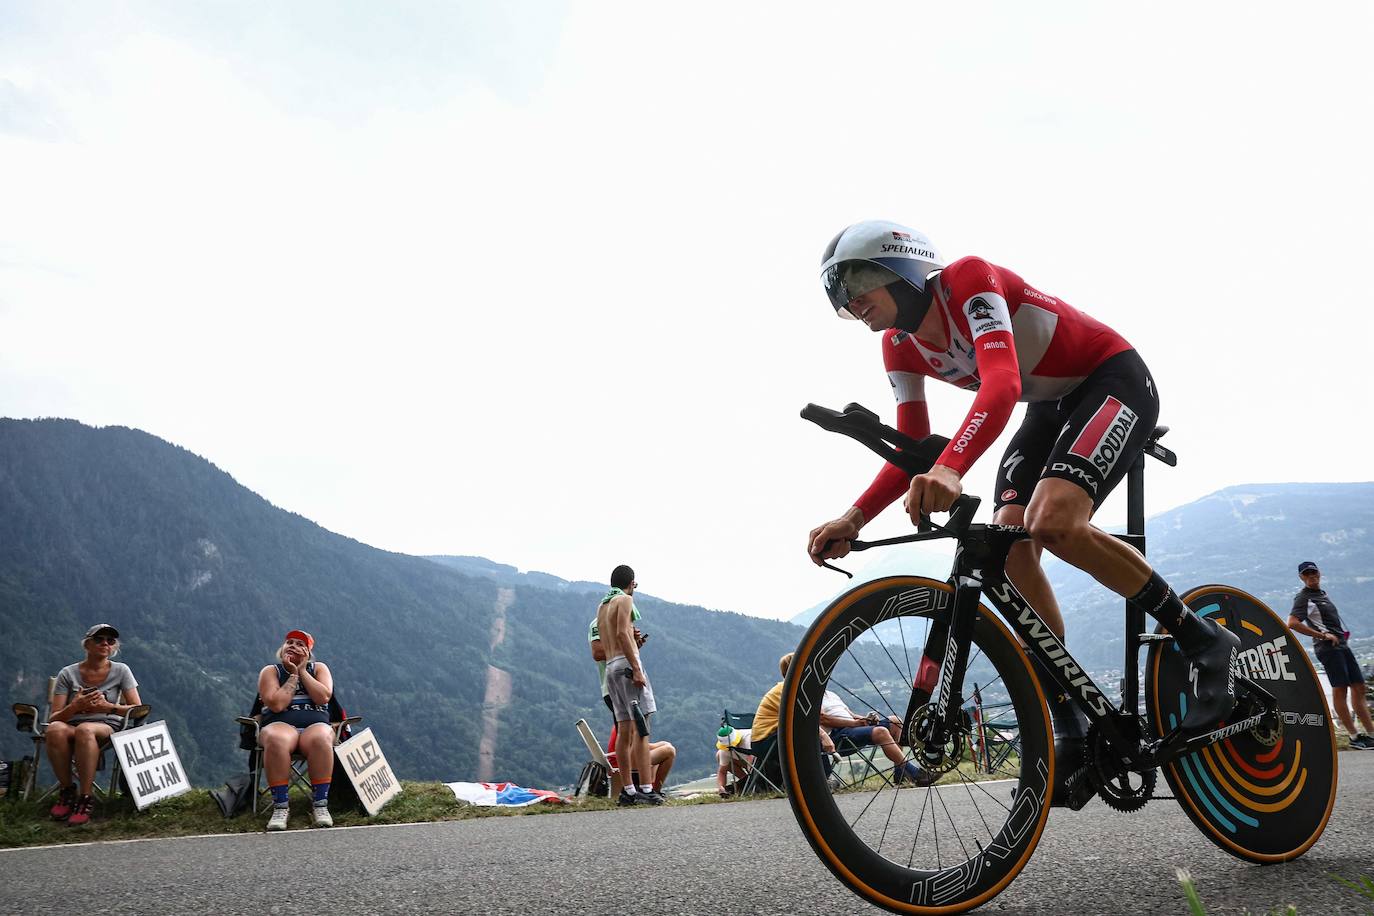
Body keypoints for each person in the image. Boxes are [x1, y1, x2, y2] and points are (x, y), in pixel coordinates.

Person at [807, 221, 1240, 748]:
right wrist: (853, 518)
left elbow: (1002, 381)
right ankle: (1072, 715)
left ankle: (1202, 637)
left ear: (900, 266)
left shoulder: (967, 278)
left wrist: (951, 468)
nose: (851, 302)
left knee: (1053, 521)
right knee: (1008, 546)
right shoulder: (899, 346)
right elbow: (911, 445)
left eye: (855, 282)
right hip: (1050, 405)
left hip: (1111, 378)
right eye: (840, 294)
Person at [44, 624, 143, 826]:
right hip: (72, 723)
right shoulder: (67, 674)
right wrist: (75, 706)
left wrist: (108, 707)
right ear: (87, 644)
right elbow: (55, 716)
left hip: (106, 724)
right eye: (99, 639)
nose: (105, 643)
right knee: (54, 730)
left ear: (114, 647)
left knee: (85, 730)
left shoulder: (122, 670)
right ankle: (67, 791)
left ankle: (85, 798)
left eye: (110, 640)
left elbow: (137, 708)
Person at [1287, 561, 1374, 749]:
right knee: (1340, 689)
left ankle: (1371, 734)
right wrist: (1322, 635)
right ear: (1301, 577)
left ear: (1319, 573)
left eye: (1314, 572)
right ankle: (1354, 737)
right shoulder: (1303, 597)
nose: (1311, 576)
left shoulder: (1322, 594)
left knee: (1359, 687)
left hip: (1342, 645)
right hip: (1328, 649)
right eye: (1307, 574)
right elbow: (1292, 623)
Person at [256, 629, 335, 829]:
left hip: (315, 726)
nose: (293, 645)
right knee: (276, 739)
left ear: (308, 653)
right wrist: (292, 676)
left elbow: (323, 697)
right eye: (289, 642)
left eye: (300, 644)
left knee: (321, 738)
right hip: (280, 725)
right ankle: (281, 807)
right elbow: (277, 705)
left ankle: (320, 805)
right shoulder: (271, 671)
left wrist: (302, 671)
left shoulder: (319, 668)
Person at [598, 565, 663, 806]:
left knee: (624, 731)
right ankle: (646, 788)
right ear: (632, 582)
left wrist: (632, 644)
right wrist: (636, 667)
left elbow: (611, 639)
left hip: (612, 669)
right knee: (642, 727)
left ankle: (628, 790)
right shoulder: (624, 600)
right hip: (626, 666)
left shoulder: (602, 606)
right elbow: (622, 634)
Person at [589, 598, 645, 796]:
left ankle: (632, 787)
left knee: (634, 733)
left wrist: (634, 643)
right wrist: (622, 645)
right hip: (612, 685)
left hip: (623, 681)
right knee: (628, 733)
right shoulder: (597, 623)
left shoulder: (623, 623)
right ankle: (628, 789)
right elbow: (596, 653)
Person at [821, 689, 934, 786]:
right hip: (836, 736)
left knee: (895, 722)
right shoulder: (816, 698)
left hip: (852, 727)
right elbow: (823, 719)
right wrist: (855, 723)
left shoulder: (831, 694)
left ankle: (901, 775)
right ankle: (915, 774)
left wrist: (865, 719)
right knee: (881, 732)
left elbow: (851, 715)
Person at [715, 724, 752, 796]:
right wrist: (721, 787)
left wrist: (753, 777)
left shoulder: (748, 737)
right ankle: (745, 781)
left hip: (760, 760)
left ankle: (751, 782)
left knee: (751, 760)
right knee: (719, 755)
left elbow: (751, 758)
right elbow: (722, 771)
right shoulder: (725, 748)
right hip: (744, 760)